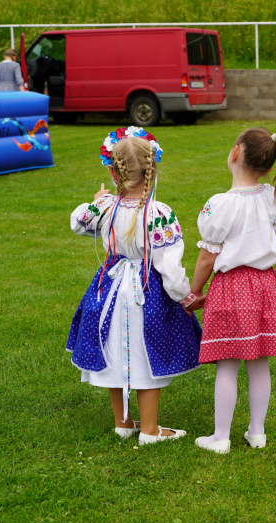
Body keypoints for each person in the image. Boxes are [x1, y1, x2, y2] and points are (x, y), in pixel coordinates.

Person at [68, 127, 204, 445]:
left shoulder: (105, 208)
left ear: (115, 172)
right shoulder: (158, 214)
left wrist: (97, 199)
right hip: (147, 293)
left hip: (109, 290)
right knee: (145, 354)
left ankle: (123, 423)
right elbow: (169, 267)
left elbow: (78, 222)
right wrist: (186, 296)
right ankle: (150, 430)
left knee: (114, 351)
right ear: (151, 169)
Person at [190, 127, 276, 454]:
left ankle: (221, 437)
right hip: (266, 286)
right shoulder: (270, 197)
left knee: (227, 363)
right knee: (258, 362)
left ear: (236, 152)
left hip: (232, 287)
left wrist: (195, 291)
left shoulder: (220, 204)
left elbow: (206, 258)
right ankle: (257, 432)